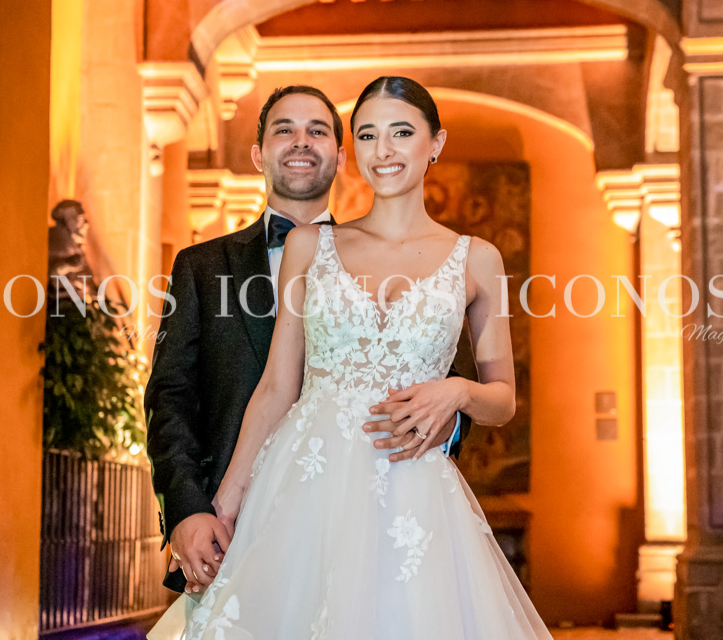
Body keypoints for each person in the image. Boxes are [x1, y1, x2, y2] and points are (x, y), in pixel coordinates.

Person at [148, 76, 552, 639]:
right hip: (304, 488)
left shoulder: (478, 260)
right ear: (353, 151)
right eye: (368, 134)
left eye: (401, 132)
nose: (383, 150)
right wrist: (220, 507)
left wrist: (457, 394)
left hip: (413, 494)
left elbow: (502, 398)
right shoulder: (309, 246)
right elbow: (275, 388)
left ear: (435, 142)